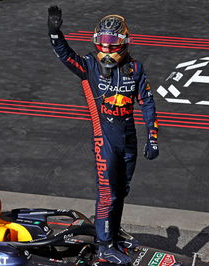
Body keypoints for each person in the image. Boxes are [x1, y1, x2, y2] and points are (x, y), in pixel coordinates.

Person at [48, 6, 159, 264]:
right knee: (107, 193)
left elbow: (149, 104)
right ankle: (103, 245)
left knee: (122, 191)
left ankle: (114, 236)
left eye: (112, 43)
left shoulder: (137, 69)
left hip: (128, 140)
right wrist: (55, 34)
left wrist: (152, 138)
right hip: (104, 141)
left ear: (125, 42)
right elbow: (66, 56)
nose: (106, 49)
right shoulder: (89, 65)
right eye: (102, 43)